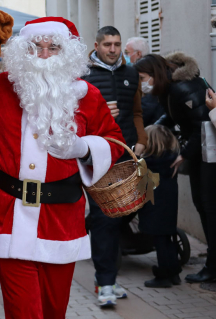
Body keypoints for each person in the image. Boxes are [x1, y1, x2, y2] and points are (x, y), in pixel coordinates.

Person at [0, 17, 124, 319]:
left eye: (53, 48)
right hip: (7, 216)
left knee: (54, 311)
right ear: (21, 52)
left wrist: (83, 148)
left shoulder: (88, 95)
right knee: (24, 312)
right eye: (35, 47)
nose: (43, 55)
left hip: (60, 220)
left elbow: (115, 142)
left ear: (67, 53)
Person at [135, 53, 215, 283]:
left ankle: (212, 266)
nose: (142, 84)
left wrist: (183, 154)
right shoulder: (168, 89)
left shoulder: (181, 88)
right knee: (203, 206)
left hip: (208, 152)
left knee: (208, 208)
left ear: (155, 74)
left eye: (143, 78)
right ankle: (212, 264)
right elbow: (172, 117)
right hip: (201, 151)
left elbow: (203, 124)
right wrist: (150, 132)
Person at [81, 26, 146, 305]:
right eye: (107, 44)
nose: (112, 49)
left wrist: (141, 140)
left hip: (127, 155)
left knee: (120, 216)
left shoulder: (131, 73)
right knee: (104, 218)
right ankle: (105, 281)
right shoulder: (83, 75)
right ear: (96, 45)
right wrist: (99, 114)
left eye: (117, 44)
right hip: (98, 156)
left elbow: (136, 112)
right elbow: (74, 117)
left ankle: (109, 278)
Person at [139, 125, 182, 288]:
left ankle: (163, 275)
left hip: (154, 206)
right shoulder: (172, 160)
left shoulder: (148, 163)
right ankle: (174, 272)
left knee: (160, 242)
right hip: (169, 205)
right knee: (168, 238)